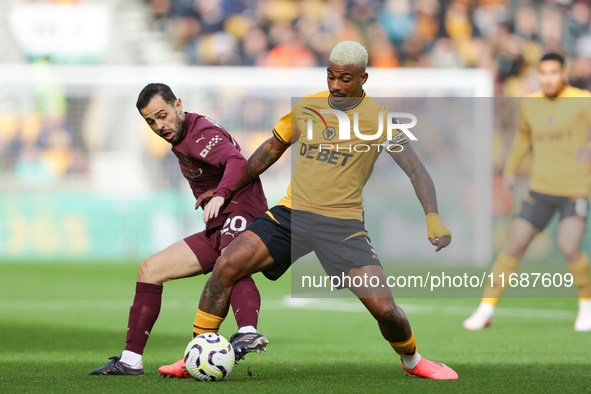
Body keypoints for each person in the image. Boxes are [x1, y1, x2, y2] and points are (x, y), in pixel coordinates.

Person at [161, 41, 458, 380]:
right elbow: (268, 152)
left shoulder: (380, 121)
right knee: (227, 263)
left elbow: (417, 171)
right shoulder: (307, 108)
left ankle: (413, 361)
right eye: (331, 76)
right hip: (292, 215)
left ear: (364, 78)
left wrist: (432, 219)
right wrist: (226, 189)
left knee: (385, 309)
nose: (335, 85)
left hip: (342, 226)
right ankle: (196, 354)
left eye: (345, 79)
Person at [89, 83, 269, 376]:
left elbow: (237, 161)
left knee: (230, 262)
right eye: (150, 121)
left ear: (178, 105)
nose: (159, 125)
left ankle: (248, 331)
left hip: (241, 210)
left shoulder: (200, 135)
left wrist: (221, 193)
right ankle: (130, 360)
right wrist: (213, 191)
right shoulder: (183, 136)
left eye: (162, 115)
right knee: (150, 270)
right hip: (218, 221)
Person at [463, 53, 591, 332]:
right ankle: (485, 309)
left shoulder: (582, 100)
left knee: (569, 246)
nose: (548, 78)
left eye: (553, 73)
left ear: (564, 74)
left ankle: (586, 305)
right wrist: (509, 169)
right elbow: (523, 137)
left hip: (574, 190)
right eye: (542, 73)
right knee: (513, 246)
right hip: (540, 189)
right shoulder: (530, 104)